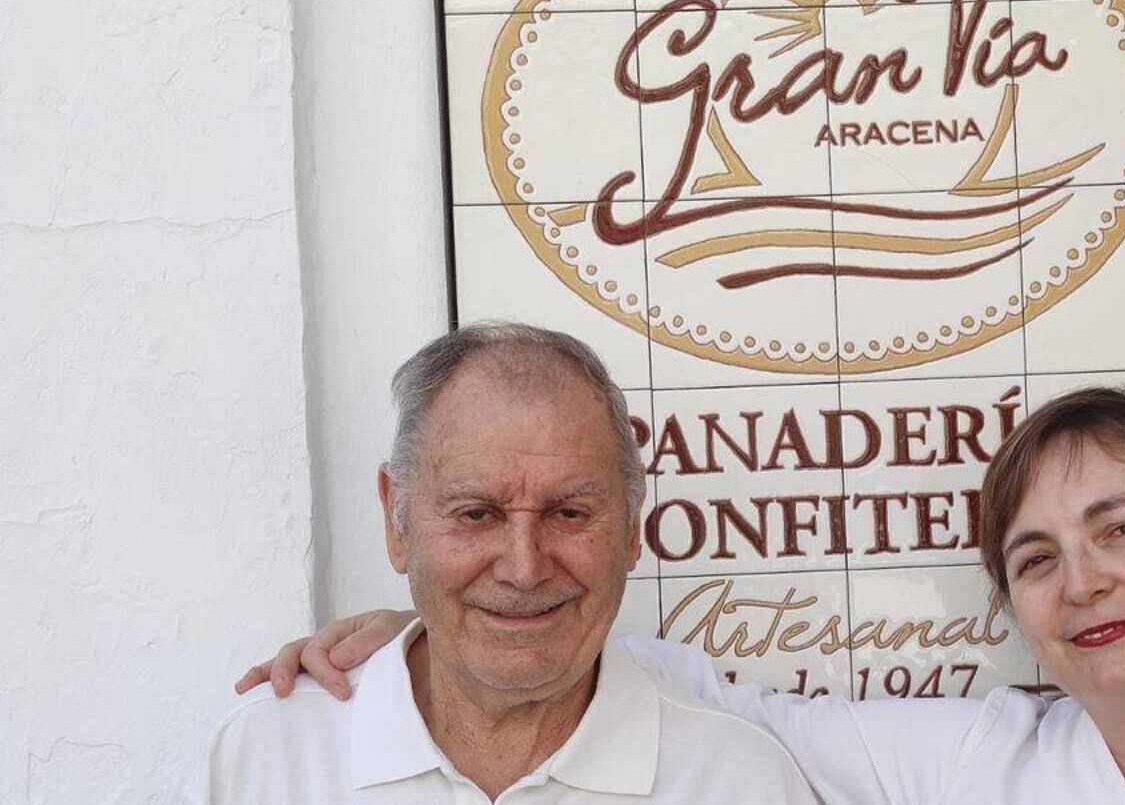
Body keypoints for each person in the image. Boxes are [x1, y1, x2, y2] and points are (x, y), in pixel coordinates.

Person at [242, 386, 1125, 804]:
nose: (1083, 583)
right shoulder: (987, 759)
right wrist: (449, 629)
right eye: (1033, 558)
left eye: (1122, 529)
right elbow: (728, 707)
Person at [192, 323, 816, 803]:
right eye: (476, 514)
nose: (524, 568)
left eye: (570, 513)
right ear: (396, 521)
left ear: (631, 527)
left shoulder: (738, 780)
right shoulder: (265, 760)